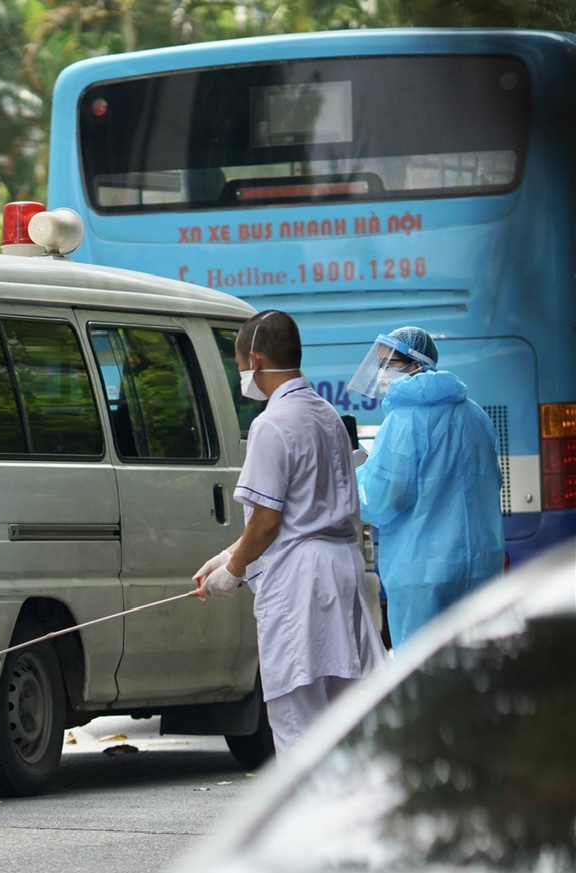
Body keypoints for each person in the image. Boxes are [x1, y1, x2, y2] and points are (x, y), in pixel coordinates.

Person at [193, 310, 386, 756]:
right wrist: (228, 555)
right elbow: (305, 506)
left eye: (241, 365)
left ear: (256, 361)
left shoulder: (271, 424)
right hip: (340, 571)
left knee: (297, 713)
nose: (243, 375)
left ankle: (309, 819)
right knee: (340, 715)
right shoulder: (327, 415)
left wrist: (235, 570)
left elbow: (267, 520)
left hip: (299, 580)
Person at [347, 326, 504, 648]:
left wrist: (357, 473)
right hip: (479, 566)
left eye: (386, 362)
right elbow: (490, 481)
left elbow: (384, 497)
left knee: (424, 678)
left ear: (415, 363)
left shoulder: (404, 420)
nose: (380, 372)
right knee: (476, 671)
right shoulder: (475, 414)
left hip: (421, 570)